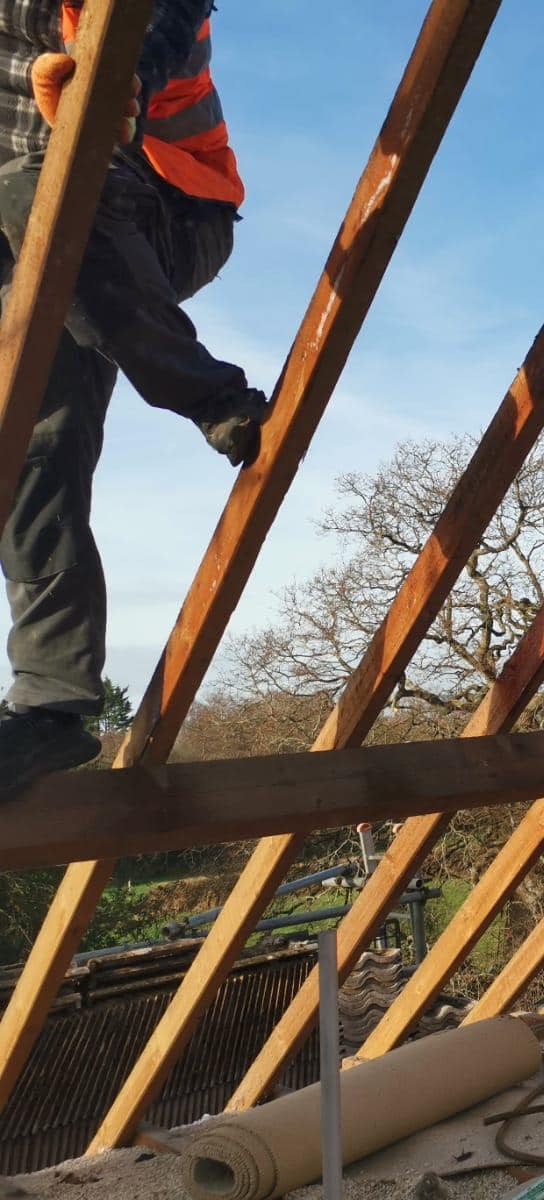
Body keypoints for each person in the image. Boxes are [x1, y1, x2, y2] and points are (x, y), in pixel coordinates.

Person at [0, 0, 263, 799]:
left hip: (168, 209)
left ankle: (214, 395)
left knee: (32, 195)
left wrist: (116, 83)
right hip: (40, 249)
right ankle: (51, 707)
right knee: (29, 437)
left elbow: (164, 15)